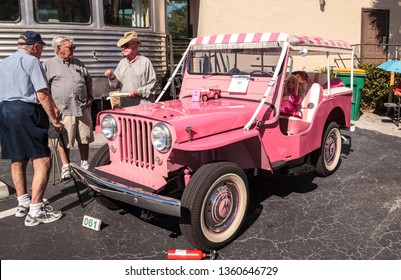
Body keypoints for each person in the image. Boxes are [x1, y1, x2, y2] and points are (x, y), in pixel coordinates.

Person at [0, 31, 64, 226]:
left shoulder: (4, 62)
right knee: (42, 160)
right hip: (26, 111)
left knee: (18, 158)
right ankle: (35, 212)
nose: (42, 51)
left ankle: (23, 203)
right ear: (35, 46)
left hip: (5, 111)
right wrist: (54, 119)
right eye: (42, 47)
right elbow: (42, 94)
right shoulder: (32, 61)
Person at [43, 36, 94, 180]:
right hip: (63, 109)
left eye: (74, 47)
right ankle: (66, 166)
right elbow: (44, 90)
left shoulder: (78, 63)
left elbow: (88, 81)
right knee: (65, 138)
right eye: (70, 48)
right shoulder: (48, 64)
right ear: (59, 48)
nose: (73, 50)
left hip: (82, 107)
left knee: (84, 136)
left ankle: (85, 163)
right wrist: (52, 107)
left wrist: (90, 97)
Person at [104, 31, 157, 106]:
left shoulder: (145, 62)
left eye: (125, 45)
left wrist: (138, 92)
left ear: (135, 45)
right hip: (126, 106)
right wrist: (112, 77)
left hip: (143, 107)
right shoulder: (122, 63)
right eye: (122, 46)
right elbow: (115, 85)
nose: (123, 48)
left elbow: (153, 85)